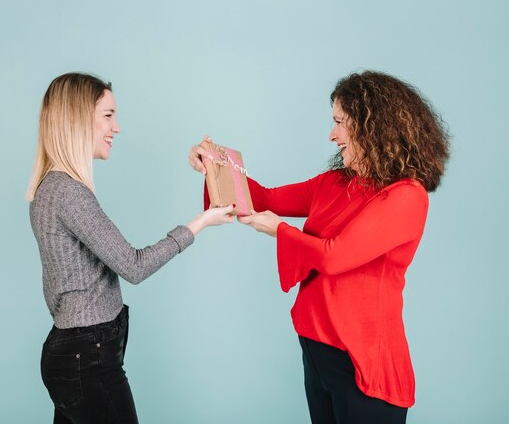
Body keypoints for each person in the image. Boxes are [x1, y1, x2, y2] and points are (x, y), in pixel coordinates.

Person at [189, 70, 449, 424]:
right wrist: (214, 165)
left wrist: (278, 230)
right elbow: (262, 197)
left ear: (373, 126)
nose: (332, 135)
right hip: (316, 346)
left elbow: (335, 255)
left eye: (340, 122)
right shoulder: (333, 183)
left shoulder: (406, 197)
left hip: (361, 359)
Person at [28, 72, 235, 424]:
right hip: (87, 358)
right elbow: (134, 266)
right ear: (78, 118)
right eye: (108, 115)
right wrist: (199, 223)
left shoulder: (51, 187)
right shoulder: (68, 193)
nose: (117, 127)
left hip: (72, 353)